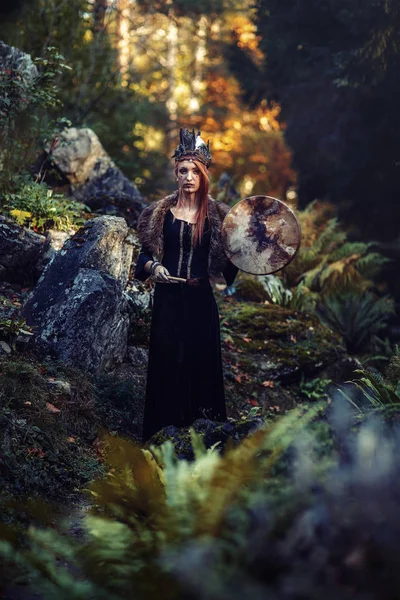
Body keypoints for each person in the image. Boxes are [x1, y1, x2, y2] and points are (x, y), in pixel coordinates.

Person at [134, 128, 238, 441]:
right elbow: (141, 260)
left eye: (195, 171)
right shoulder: (158, 214)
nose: (189, 177)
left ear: (204, 174)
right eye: (183, 170)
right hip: (167, 301)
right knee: (167, 362)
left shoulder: (219, 217)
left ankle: (204, 439)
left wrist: (254, 251)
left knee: (200, 364)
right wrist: (155, 267)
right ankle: (162, 438)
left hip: (200, 301)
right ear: (176, 174)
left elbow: (233, 265)